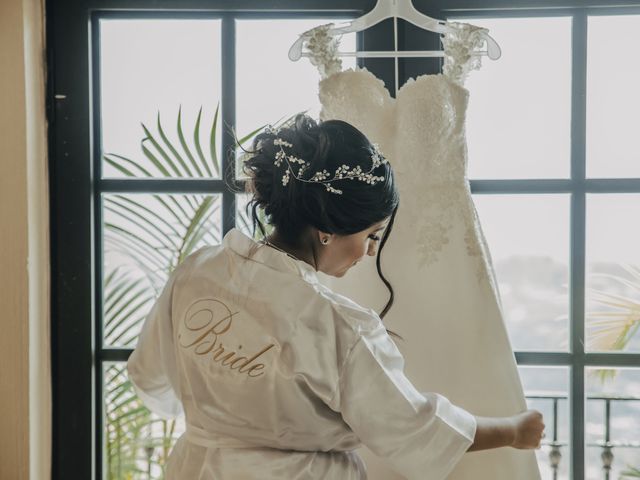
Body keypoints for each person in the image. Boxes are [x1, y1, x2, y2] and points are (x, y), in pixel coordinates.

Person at [127, 113, 545, 479]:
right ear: (326, 229)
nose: (370, 252)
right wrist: (514, 430)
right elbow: (412, 428)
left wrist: (220, 419)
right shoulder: (336, 322)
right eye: (370, 236)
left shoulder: (198, 269)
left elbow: (150, 376)